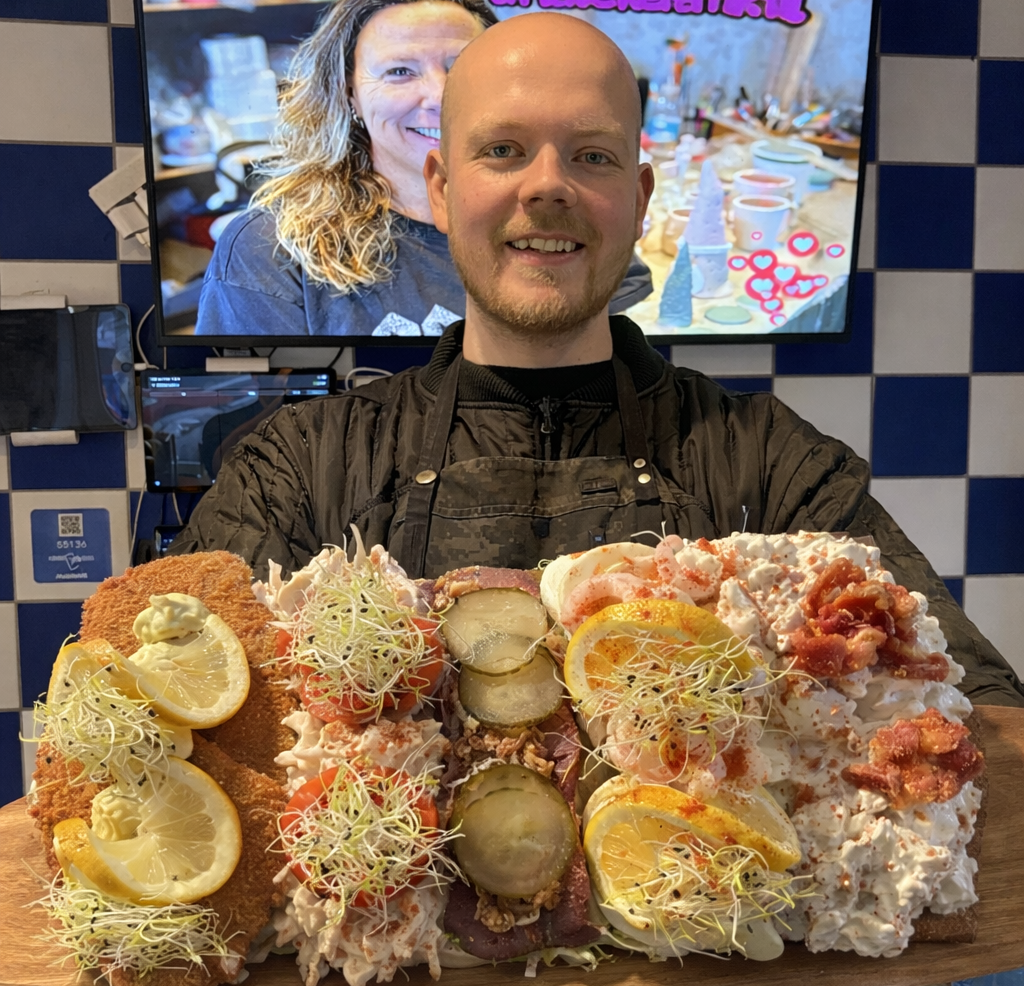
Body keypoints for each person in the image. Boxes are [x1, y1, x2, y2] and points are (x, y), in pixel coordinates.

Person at [175, 12, 1022, 714]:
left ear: (639, 199)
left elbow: (977, 708)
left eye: (592, 155)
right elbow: (166, 693)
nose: (547, 186)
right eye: (503, 150)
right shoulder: (299, 468)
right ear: (440, 188)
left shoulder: (773, 465)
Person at [194, 0, 652, 337]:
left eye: (462, 66)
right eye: (399, 72)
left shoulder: (559, 211)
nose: (439, 97)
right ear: (350, 94)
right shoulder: (268, 251)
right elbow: (249, 423)